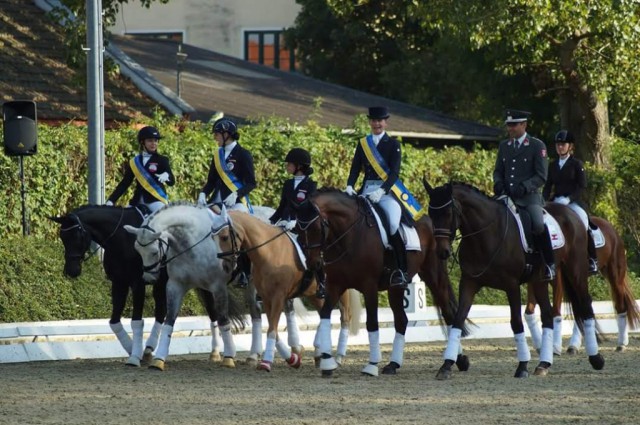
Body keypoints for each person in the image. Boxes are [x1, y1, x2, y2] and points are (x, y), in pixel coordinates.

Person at [345, 106, 423, 288]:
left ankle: (401, 270)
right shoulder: (363, 143)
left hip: (386, 193)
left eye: (380, 120)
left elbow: (394, 173)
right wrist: (349, 185)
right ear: (370, 122)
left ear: (385, 122)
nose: (376, 123)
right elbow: (355, 168)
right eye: (373, 120)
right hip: (366, 191)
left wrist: (382, 190)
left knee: (393, 224)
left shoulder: (393, 144)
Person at [493, 109, 556, 281]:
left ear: (524, 125)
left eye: (513, 125)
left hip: (529, 198)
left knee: (538, 224)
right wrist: (498, 183)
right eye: (508, 125)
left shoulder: (537, 146)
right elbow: (498, 171)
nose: (510, 129)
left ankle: (549, 264)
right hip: (507, 197)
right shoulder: (504, 146)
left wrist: (524, 187)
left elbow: (541, 176)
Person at [197, 117, 256, 287]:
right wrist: (203, 193)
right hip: (217, 201)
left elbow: (251, 182)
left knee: (240, 233)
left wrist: (236, 194)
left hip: (238, 202)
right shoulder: (217, 155)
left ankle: (243, 272)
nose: (215, 137)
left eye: (217, 134)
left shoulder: (243, 154)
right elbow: (211, 181)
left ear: (226, 134)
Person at [268, 148, 324, 297]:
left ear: (299, 166)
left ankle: (322, 283)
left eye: (289, 164)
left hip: (303, 226)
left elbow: (309, 207)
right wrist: (270, 221)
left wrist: (295, 221)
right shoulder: (287, 184)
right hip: (285, 223)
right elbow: (282, 206)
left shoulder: (311, 185)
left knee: (312, 252)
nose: (287, 166)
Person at [543, 130, 598, 274]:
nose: (560, 147)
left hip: (572, 202)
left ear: (570, 146)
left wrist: (569, 199)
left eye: (563, 144)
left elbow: (582, 186)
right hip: (555, 201)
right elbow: (548, 185)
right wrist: (543, 200)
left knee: (584, 221)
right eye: (558, 144)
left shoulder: (576, 164)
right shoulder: (553, 165)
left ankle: (592, 258)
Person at [106, 126, 175, 213]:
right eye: (150, 140)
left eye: (156, 141)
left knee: (164, 217)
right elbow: (125, 183)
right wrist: (112, 200)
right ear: (142, 142)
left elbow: (172, 182)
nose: (154, 143)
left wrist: (167, 176)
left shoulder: (162, 160)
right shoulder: (134, 162)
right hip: (137, 201)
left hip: (155, 200)